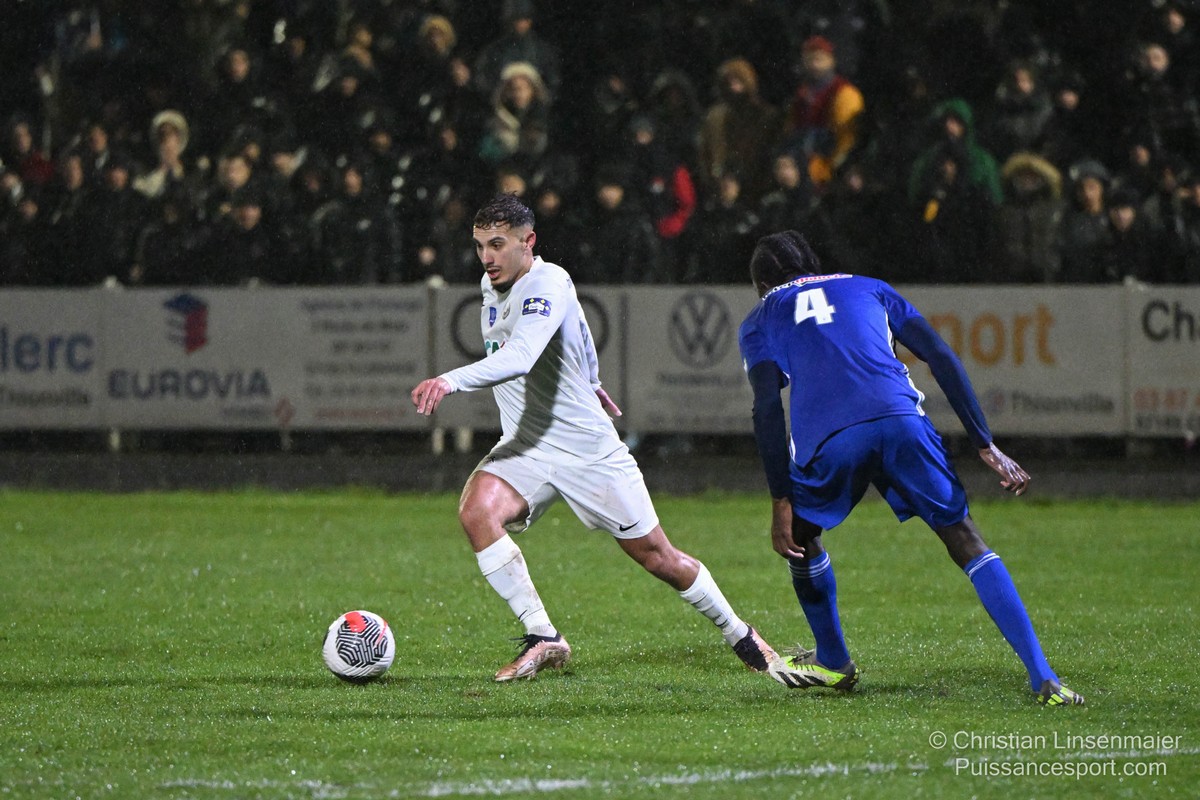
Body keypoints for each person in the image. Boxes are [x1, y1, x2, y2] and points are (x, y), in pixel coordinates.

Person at [410, 194, 800, 684]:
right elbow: (577, 328)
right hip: (528, 444)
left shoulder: (547, 282)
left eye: (498, 244)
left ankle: (741, 634)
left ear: (528, 242)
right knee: (477, 512)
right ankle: (543, 635)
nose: (487, 257)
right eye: (480, 245)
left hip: (587, 451)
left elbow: (523, 355)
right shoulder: (492, 285)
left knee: (659, 558)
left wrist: (450, 380)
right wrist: (592, 379)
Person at [737, 229, 1085, 707]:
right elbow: (938, 353)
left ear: (761, 286)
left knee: (800, 536)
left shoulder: (761, 317)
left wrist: (780, 500)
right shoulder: (870, 286)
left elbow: (766, 408)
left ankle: (834, 662)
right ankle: (1043, 677)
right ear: (814, 266)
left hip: (833, 439)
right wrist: (984, 442)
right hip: (902, 421)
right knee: (965, 539)